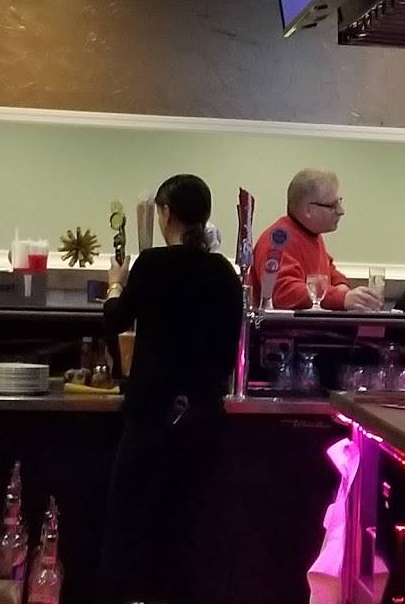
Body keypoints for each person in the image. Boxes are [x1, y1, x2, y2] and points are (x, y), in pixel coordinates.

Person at [98, 174, 244, 604]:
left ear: (164, 213)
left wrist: (115, 283)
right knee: (184, 527)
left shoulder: (153, 264)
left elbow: (116, 319)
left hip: (152, 412)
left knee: (127, 524)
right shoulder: (224, 273)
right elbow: (228, 347)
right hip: (203, 415)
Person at [250, 169, 382, 310]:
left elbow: (329, 272)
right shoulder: (278, 240)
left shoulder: (310, 235)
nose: (341, 211)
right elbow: (284, 294)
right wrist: (341, 298)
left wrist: (341, 286)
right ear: (308, 210)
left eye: (339, 202)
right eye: (332, 206)